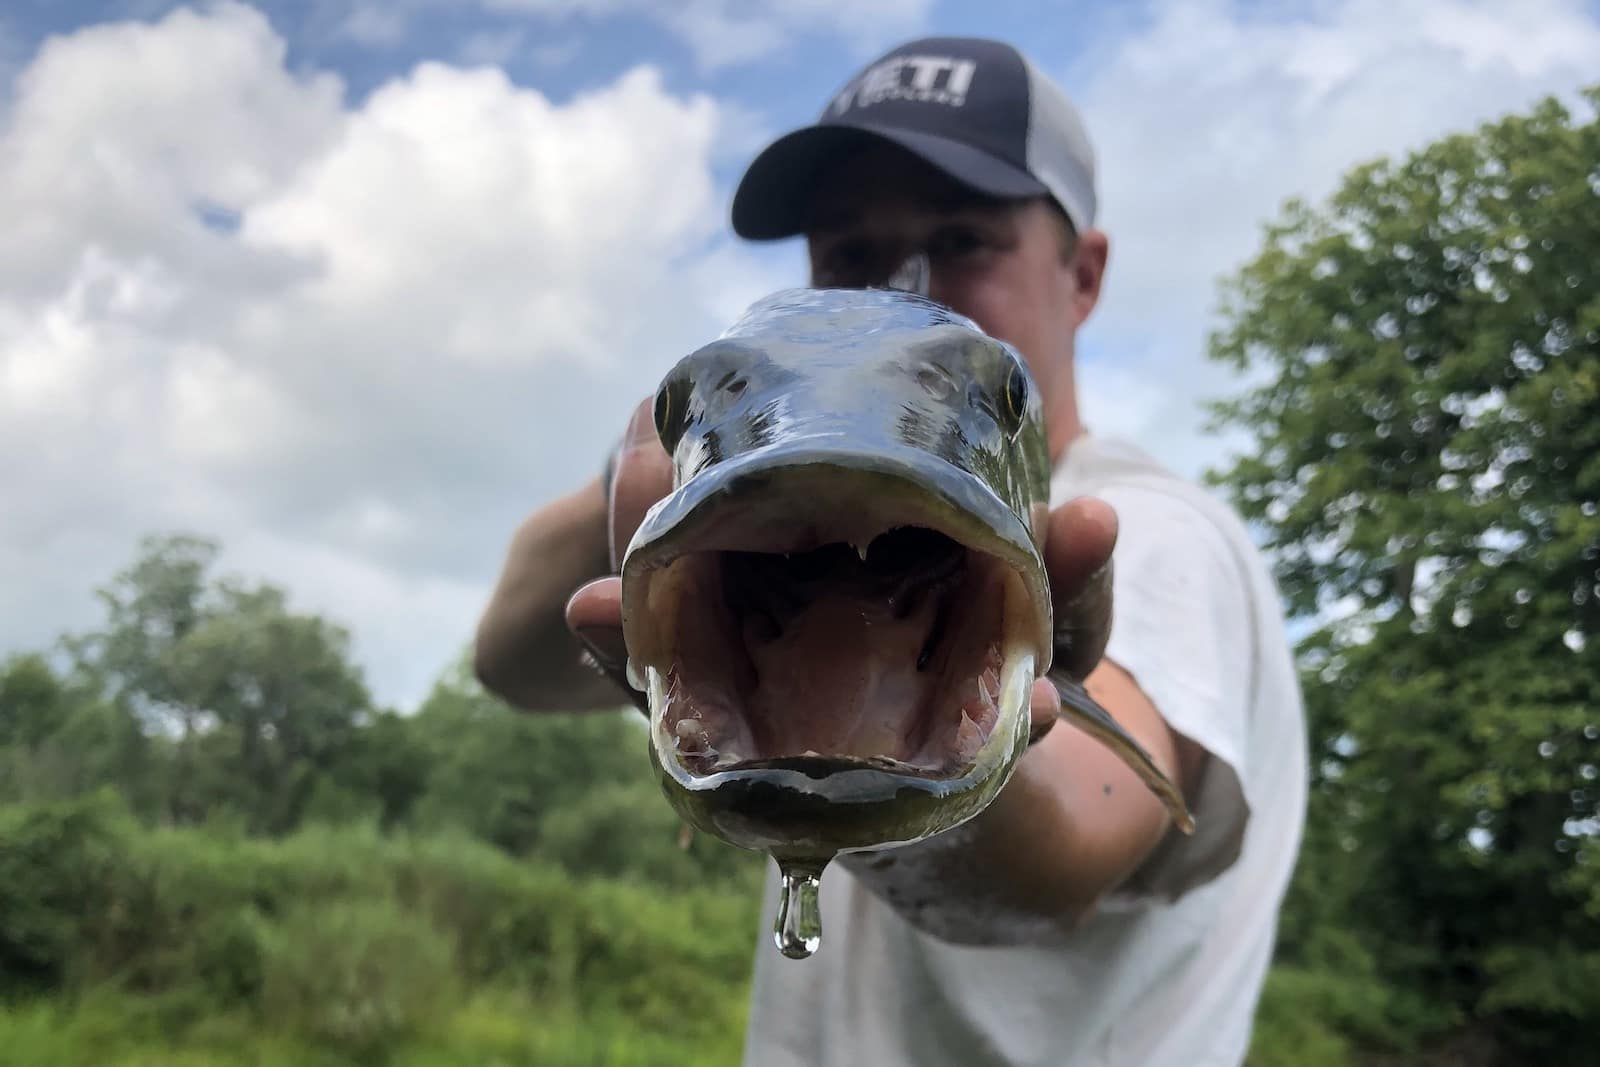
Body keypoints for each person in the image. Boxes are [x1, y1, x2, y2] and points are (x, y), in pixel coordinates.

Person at [476, 35, 1308, 1067]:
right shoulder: (751, 534)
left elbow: (1052, 864)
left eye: (963, 239)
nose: (906, 285)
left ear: (1082, 275)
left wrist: (932, 766)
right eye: (848, 256)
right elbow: (510, 661)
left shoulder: (1162, 532)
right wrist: (664, 451)